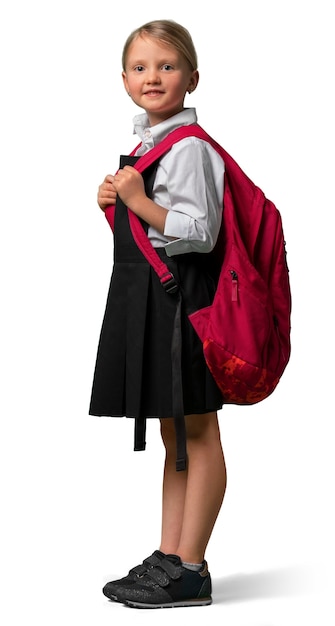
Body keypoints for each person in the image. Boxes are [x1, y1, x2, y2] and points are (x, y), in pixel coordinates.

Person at [89, 19, 227, 608]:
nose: (153, 77)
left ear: (192, 79)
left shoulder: (189, 148)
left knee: (197, 429)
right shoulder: (147, 143)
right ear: (123, 79)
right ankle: (170, 555)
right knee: (175, 436)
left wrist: (139, 201)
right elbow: (148, 233)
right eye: (141, 67)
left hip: (185, 303)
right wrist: (114, 206)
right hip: (155, 299)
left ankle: (192, 568)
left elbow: (200, 231)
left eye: (167, 67)